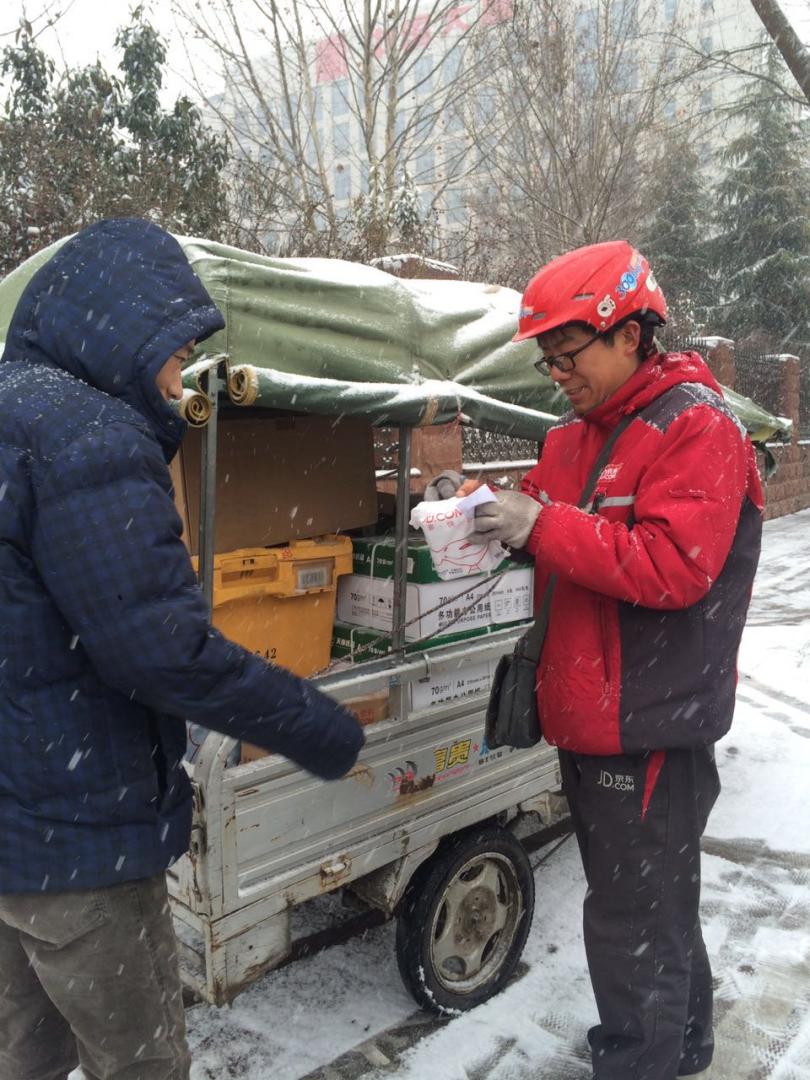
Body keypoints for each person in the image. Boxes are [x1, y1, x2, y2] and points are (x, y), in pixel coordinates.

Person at [0, 219, 364, 1080]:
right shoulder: (87, 437)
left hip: (14, 826)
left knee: (23, 1054)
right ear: (123, 326)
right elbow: (160, 651)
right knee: (141, 1063)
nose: (179, 375)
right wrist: (317, 725)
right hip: (80, 837)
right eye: (176, 349)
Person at [428, 240, 763, 1080]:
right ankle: (681, 1045)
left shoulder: (698, 428)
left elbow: (672, 566)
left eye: (567, 355)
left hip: (647, 720)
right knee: (656, 903)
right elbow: (558, 524)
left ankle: (637, 1060)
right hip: (592, 712)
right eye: (548, 361)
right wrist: (484, 511)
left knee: (629, 919)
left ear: (627, 332)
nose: (557, 374)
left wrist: (541, 527)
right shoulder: (579, 438)